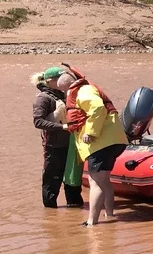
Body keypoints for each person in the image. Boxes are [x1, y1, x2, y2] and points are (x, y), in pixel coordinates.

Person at [54, 65, 128, 227]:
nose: (64, 94)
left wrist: (91, 132)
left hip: (101, 142)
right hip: (113, 140)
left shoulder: (83, 91)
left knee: (96, 182)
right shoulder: (85, 89)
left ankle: (92, 222)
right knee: (105, 181)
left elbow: (98, 108)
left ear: (68, 86)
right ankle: (109, 215)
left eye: (63, 90)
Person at [31, 66, 84, 209]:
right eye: (60, 79)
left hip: (72, 145)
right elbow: (38, 122)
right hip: (54, 147)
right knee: (52, 182)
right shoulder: (43, 98)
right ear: (50, 81)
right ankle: (50, 212)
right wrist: (63, 127)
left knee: (72, 181)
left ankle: (74, 212)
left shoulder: (66, 95)